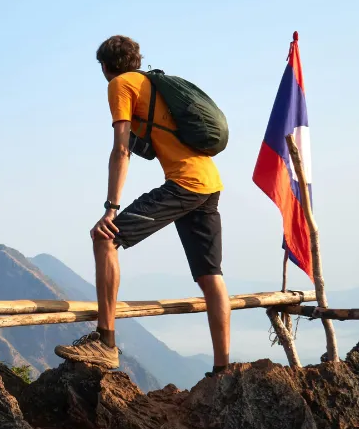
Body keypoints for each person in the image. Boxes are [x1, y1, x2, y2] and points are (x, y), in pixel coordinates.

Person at [55, 35, 230, 376]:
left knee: (105, 237)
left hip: (184, 184)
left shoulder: (120, 85)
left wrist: (111, 208)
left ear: (105, 66)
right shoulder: (154, 84)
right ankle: (223, 370)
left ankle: (105, 343)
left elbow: (122, 149)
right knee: (211, 276)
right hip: (209, 183)